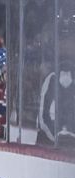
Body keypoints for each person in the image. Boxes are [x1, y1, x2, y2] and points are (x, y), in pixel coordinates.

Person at [37, 14, 75, 147]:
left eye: (70, 39)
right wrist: (58, 140)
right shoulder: (51, 78)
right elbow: (43, 118)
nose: (66, 45)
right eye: (62, 40)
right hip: (49, 146)